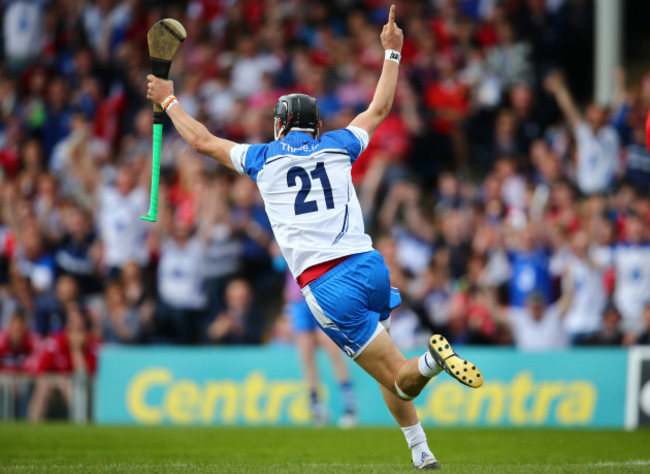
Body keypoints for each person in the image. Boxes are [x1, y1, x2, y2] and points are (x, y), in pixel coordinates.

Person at [146, 6, 482, 469]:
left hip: (328, 285)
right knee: (386, 366)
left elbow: (202, 141)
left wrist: (168, 101)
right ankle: (421, 452)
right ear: (316, 127)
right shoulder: (339, 143)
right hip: (370, 266)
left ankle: (430, 360)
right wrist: (392, 51)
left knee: (403, 377)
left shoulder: (261, 157)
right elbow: (380, 107)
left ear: (280, 126)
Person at [285, 273, 357, 427]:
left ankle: (349, 405)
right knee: (305, 353)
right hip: (297, 298)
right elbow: (278, 260)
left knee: (332, 348)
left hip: (319, 292)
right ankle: (316, 407)